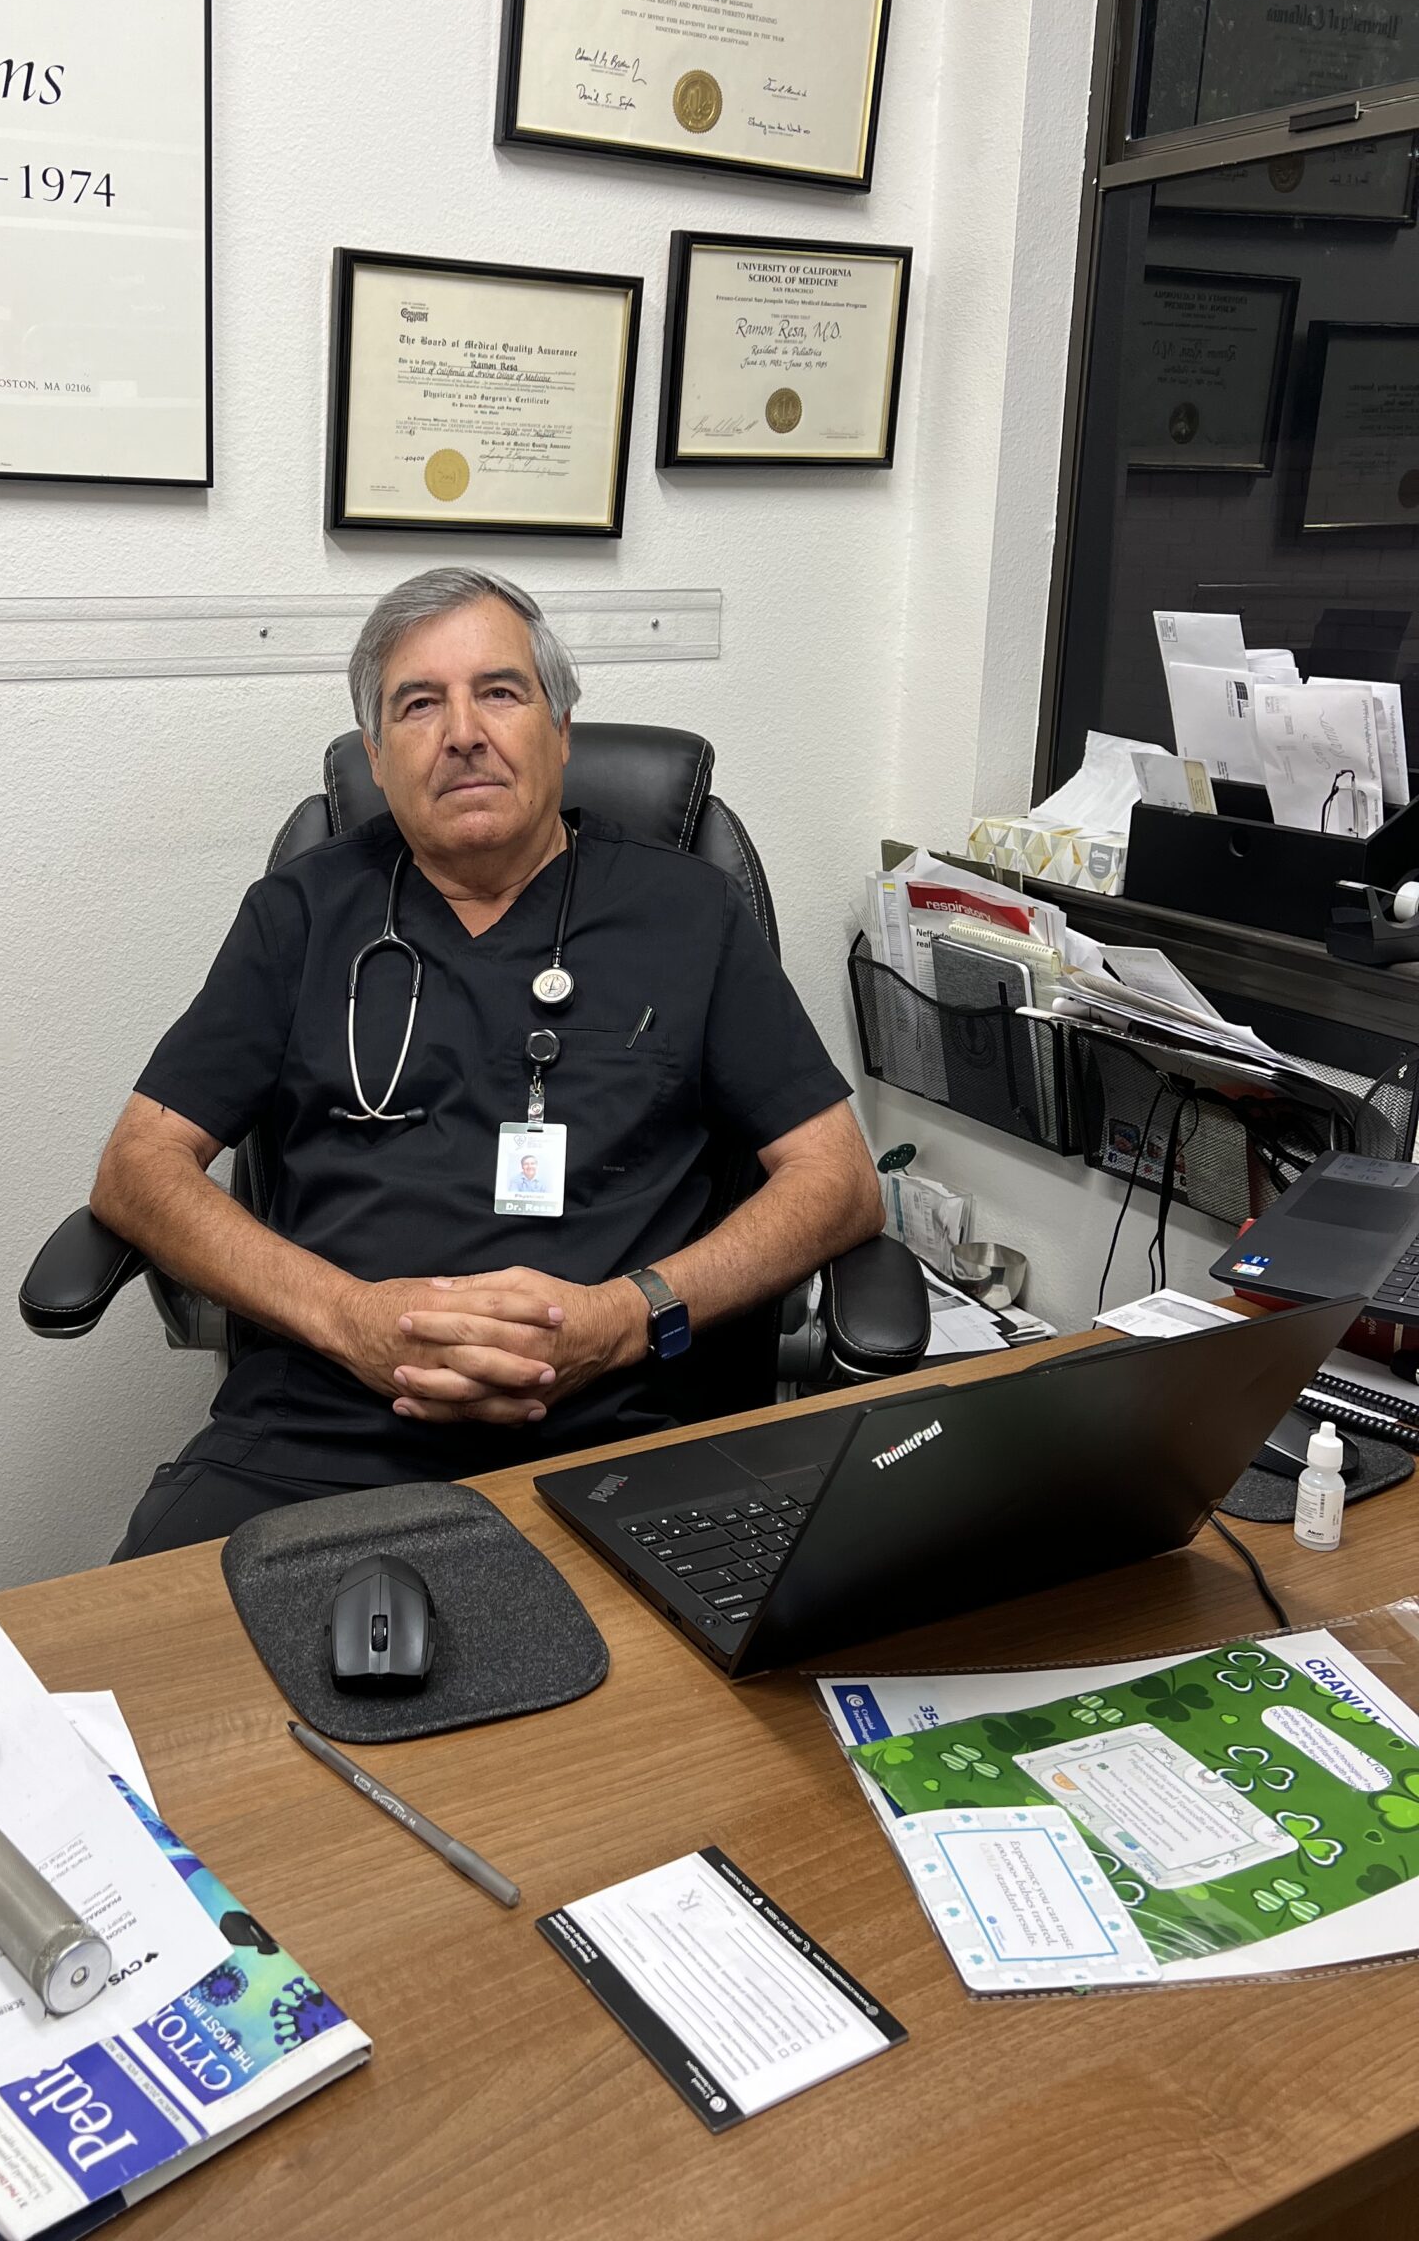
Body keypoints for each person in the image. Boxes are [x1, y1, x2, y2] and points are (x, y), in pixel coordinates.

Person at [92, 567, 882, 1558]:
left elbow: (839, 1182)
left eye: (499, 691)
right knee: (150, 1648)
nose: (463, 731)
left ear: (561, 729)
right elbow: (138, 1168)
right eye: (419, 704)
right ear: (376, 757)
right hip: (316, 1430)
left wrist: (623, 1318)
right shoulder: (300, 915)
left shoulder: (690, 915)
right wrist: (351, 1318)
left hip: (618, 1428)